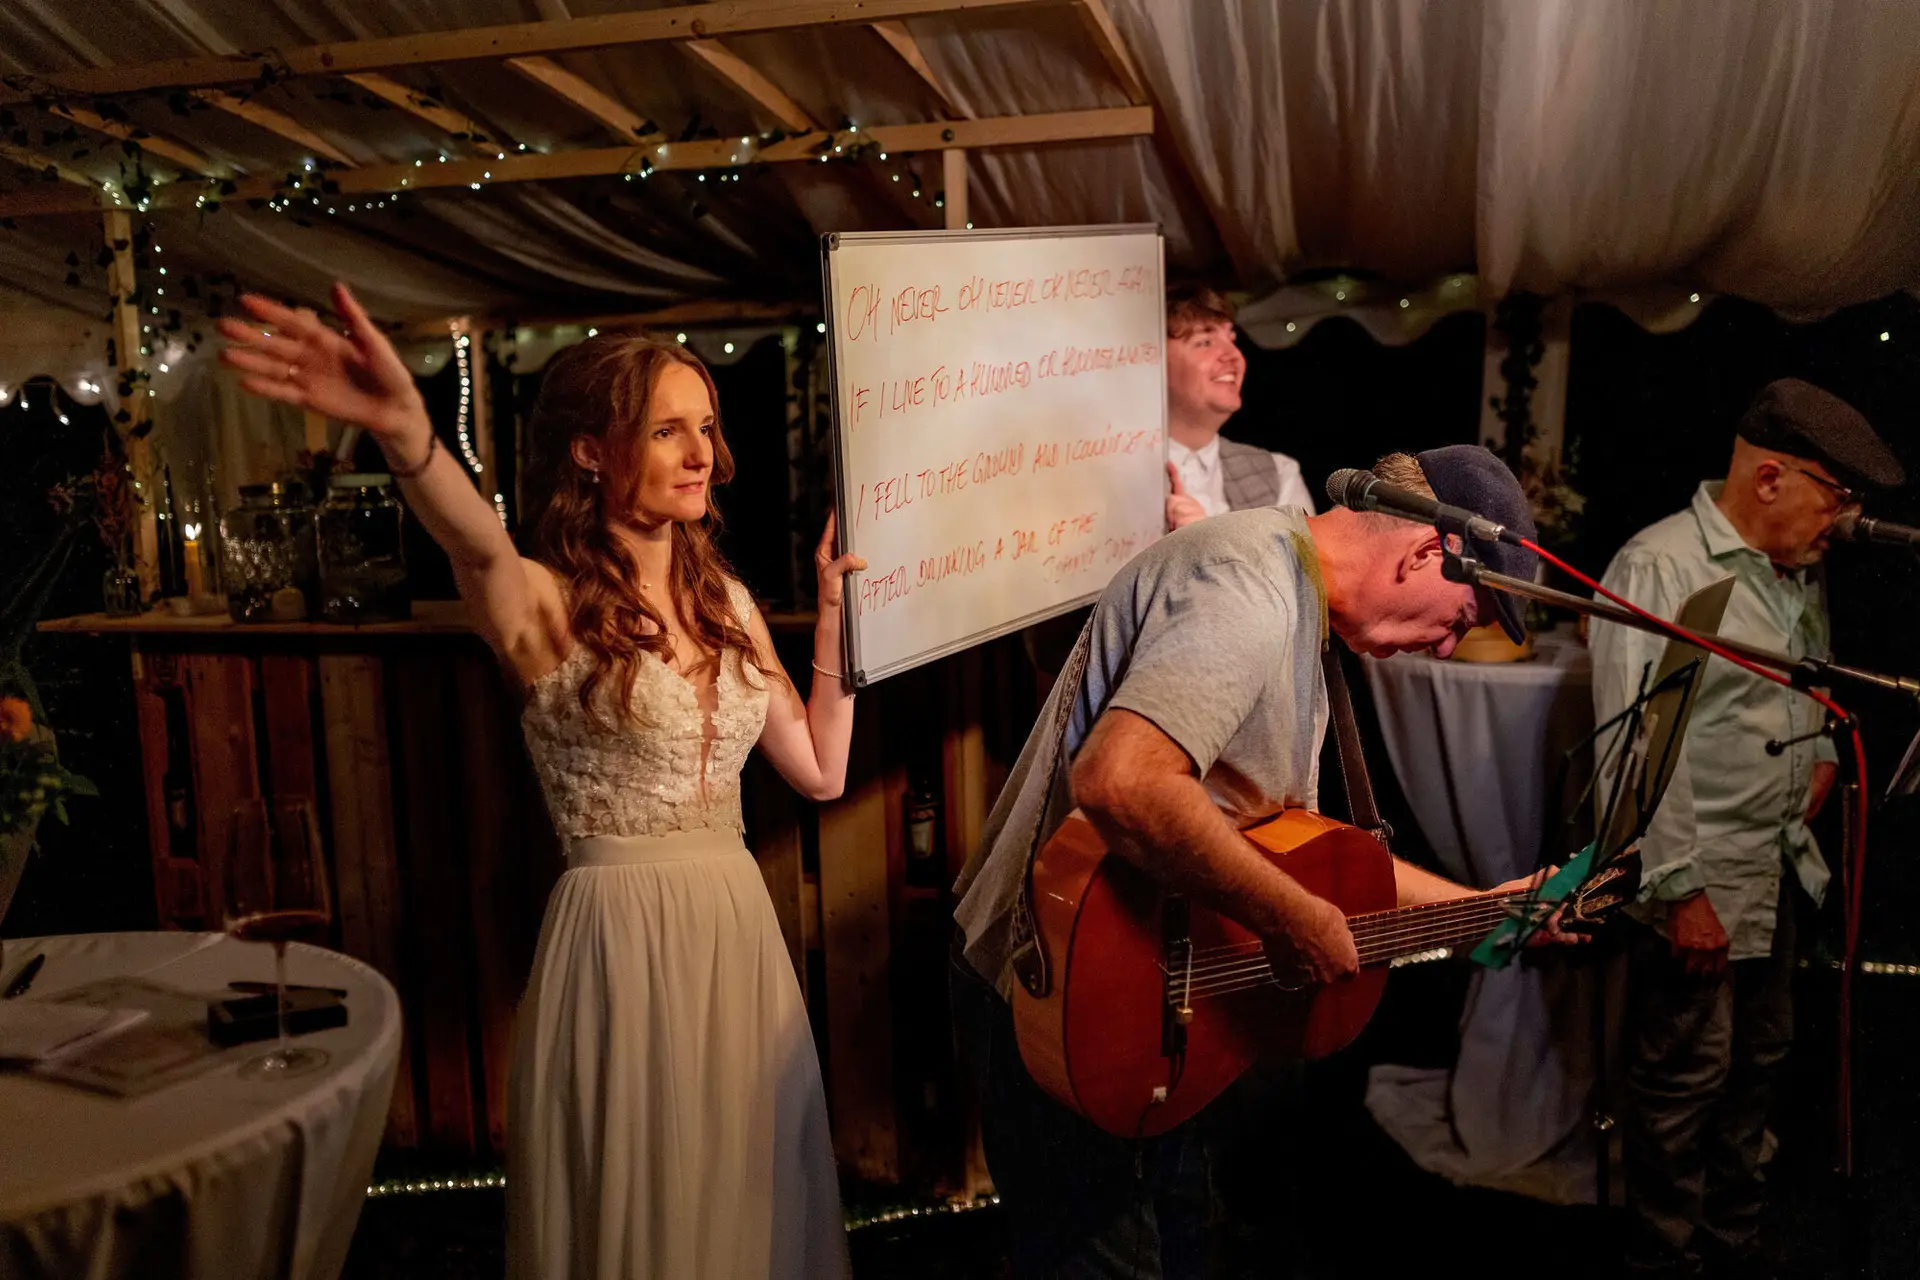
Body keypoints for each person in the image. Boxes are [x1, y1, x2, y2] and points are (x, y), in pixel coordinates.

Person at [220, 284, 862, 1279]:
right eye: (665, 430)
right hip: (618, 937)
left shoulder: (724, 597)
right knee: (640, 1204)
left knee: (746, 1196)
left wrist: (832, 620)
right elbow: (470, 537)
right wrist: (408, 434)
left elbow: (821, 769)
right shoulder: (541, 601)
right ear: (592, 450)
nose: (701, 453)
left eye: (706, 427)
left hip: (736, 933)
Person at [952, 445, 1564, 1277]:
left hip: (1143, 985)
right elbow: (1122, 780)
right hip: (1066, 986)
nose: (1449, 649)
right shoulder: (1249, 587)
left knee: (1182, 1246)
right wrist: (1286, 915)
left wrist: (1485, 904)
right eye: (1462, 617)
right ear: (1426, 551)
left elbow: (1292, 850)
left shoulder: (1295, 595)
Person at [1592, 379, 1905, 1278]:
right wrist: (1682, 891)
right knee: (1684, 1077)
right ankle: (1664, 1253)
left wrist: (1822, 752)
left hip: (1775, 868)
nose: (1841, 521)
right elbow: (1640, 750)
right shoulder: (1663, 570)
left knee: (1757, 1065)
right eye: (1835, 497)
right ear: (1770, 478)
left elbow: (1807, 676)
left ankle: (1731, 1236)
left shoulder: (1791, 564)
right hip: (1700, 881)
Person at [1163, 285, 1316, 532]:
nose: (1234, 356)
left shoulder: (1278, 473)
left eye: (1232, 339)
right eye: (1205, 342)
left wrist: (1204, 544)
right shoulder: (1113, 475)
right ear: (1154, 361)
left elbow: (1298, 571)